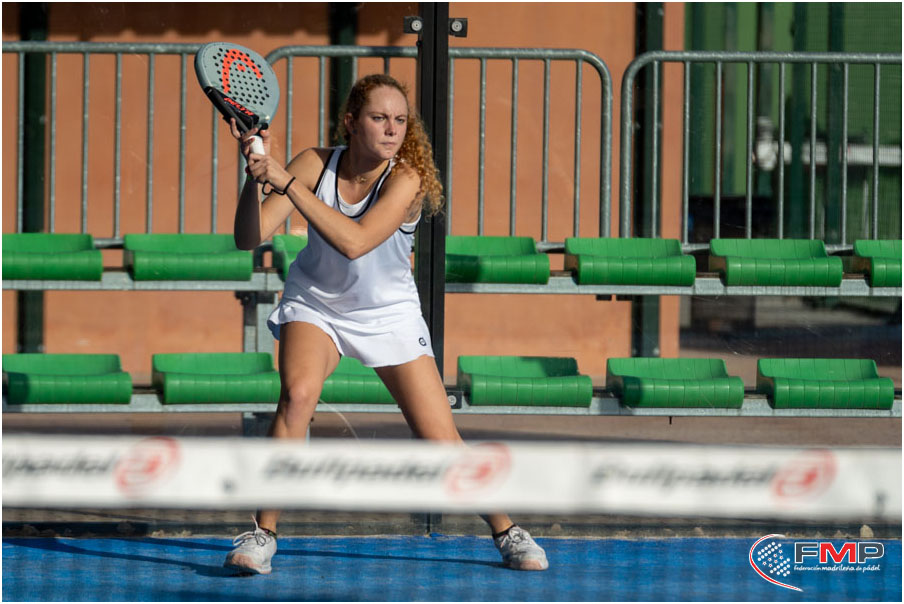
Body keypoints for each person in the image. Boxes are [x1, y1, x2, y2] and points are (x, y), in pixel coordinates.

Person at [223, 74, 548, 575]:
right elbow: (250, 237)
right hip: (317, 302)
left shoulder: (407, 179)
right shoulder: (314, 163)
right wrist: (255, 178)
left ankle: (507, 530)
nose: (392, 129)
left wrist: (284, 181)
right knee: (297, 395)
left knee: (439, 437)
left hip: (389, 312)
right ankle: (262, 532)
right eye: (379, 118)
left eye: (400, 120)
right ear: (352, 122)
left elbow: (354, 242)